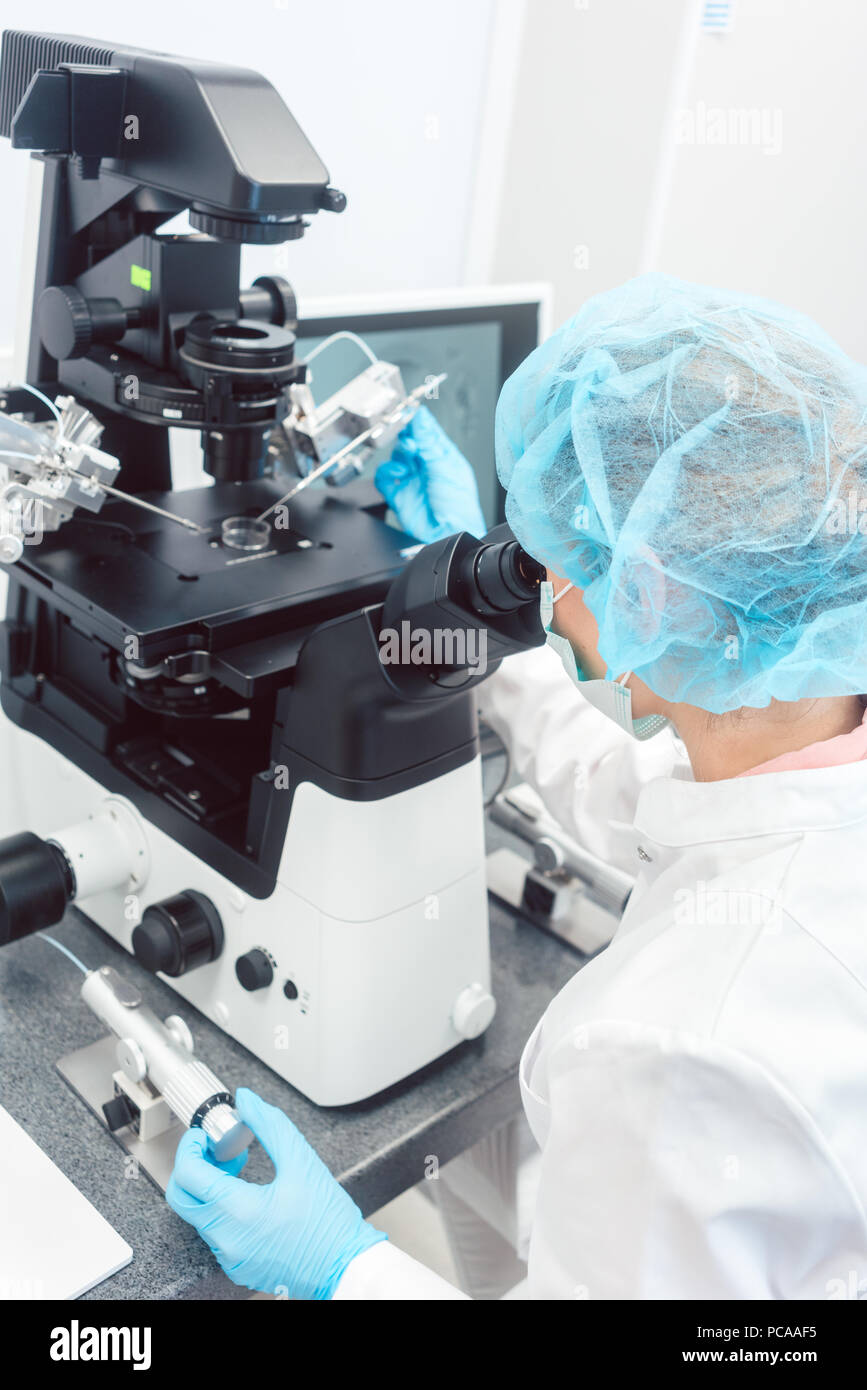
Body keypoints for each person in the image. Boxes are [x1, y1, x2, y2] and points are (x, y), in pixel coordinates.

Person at [167, 273, 867, 1300]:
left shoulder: (676, 1042)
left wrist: (342, 1267)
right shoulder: (798, 748)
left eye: (556, 559)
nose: (538, 581)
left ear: (652, 593)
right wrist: (490, 645)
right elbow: (648, 799)